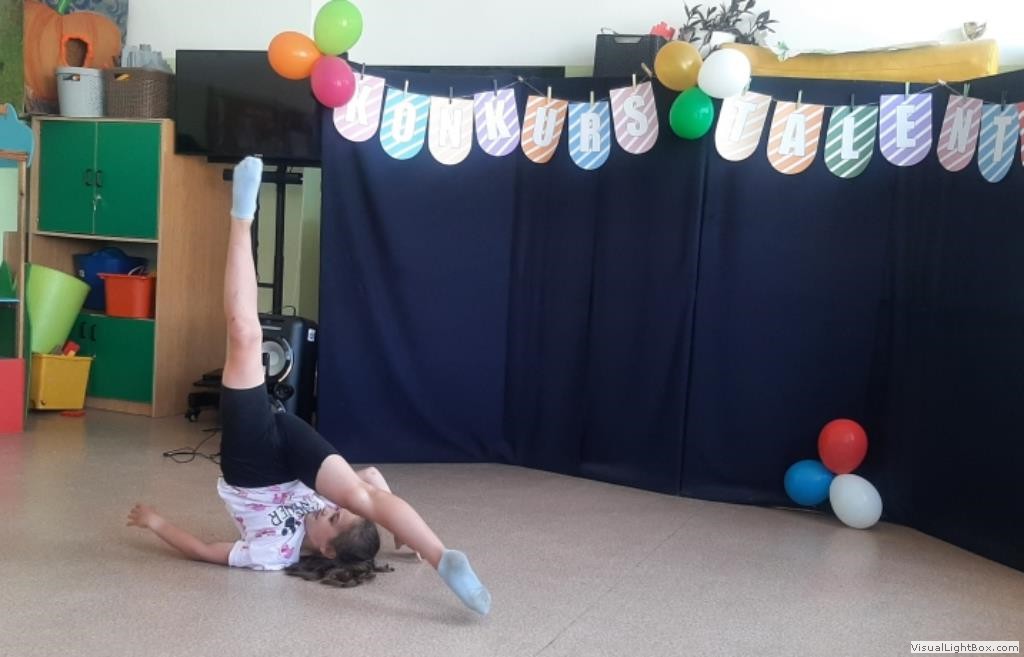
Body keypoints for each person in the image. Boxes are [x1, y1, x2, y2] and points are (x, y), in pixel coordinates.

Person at [126, 156, 491, 615]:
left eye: (333, 519)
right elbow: (372, 481)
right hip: (293, 448)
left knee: (245, 334)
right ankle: (442, 555)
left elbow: (204, 550)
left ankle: (242, 218)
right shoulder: (333, 507)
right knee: (364, 495)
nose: (327, 508)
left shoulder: (273, 554)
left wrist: (156, 523)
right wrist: (403, 532)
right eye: (336, 510)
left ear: (326, 550)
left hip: (252, 466)